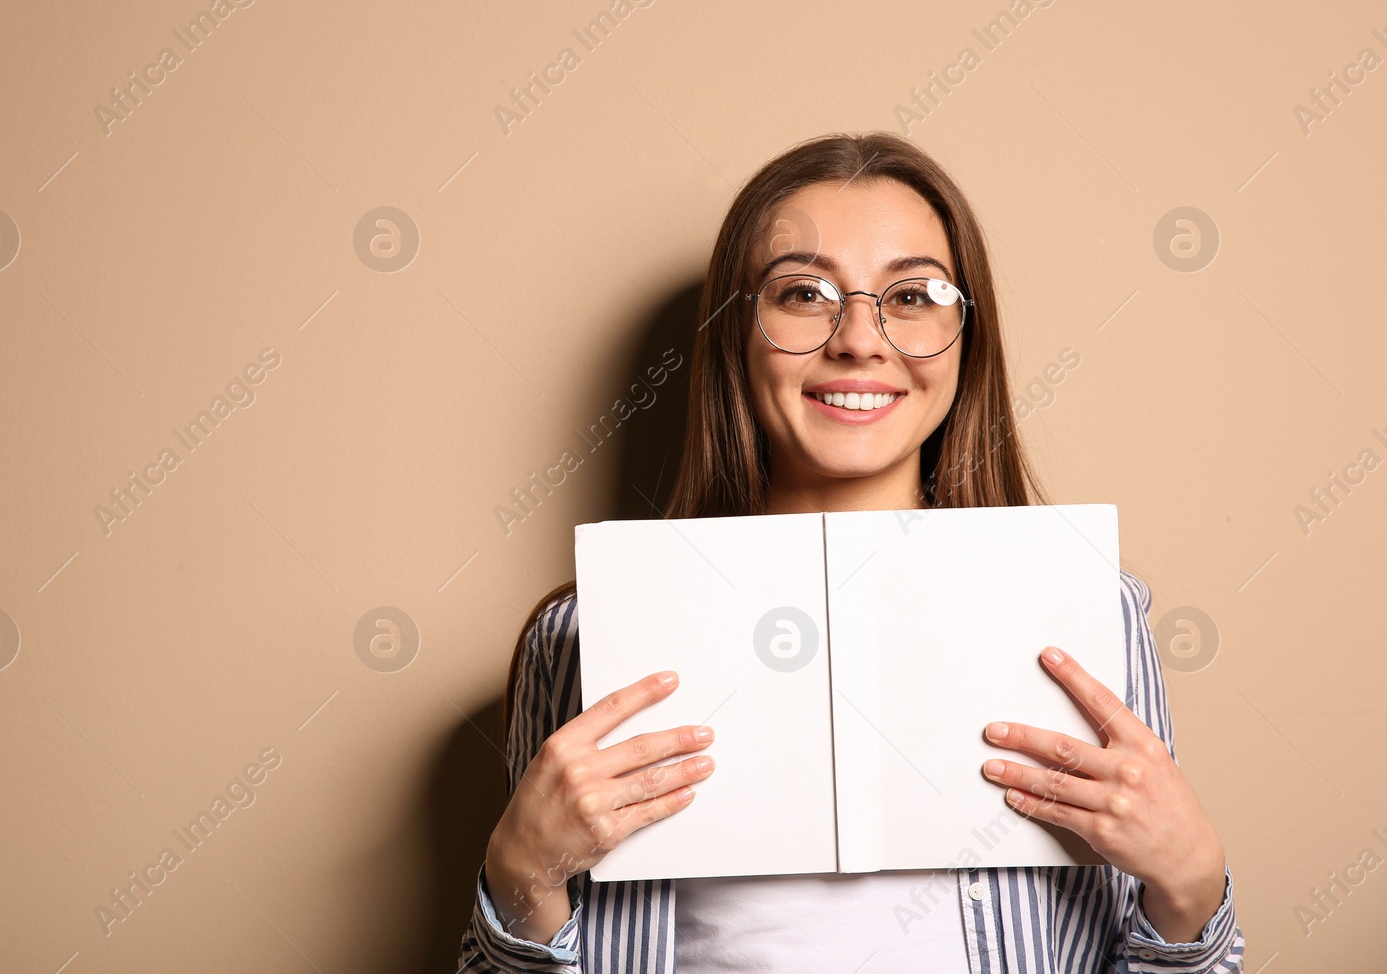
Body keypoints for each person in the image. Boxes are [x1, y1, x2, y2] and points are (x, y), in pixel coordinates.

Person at [456, 132, 1244, 973]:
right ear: (736, 336)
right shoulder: (583, 637)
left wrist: (1191, 887)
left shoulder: (1095, 611)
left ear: (967, 336)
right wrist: (520, 882)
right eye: (804, 292)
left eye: (913, 295)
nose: (861, 339)